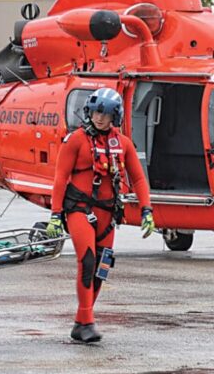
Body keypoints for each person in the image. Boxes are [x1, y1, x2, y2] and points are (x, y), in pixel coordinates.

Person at [46, 88, 155, 343]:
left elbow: (138, 179)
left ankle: (81, 321)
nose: (99, 118)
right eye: (96, 112)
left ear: (114, 116)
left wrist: (147, 210)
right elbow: (60, 179)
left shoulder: (124, 143)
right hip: (79, 210)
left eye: (105, 114)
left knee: (101, 269)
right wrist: (55, 214)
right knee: (87, 262)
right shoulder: (75, 140)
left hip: (108, 215)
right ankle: (87, 322)